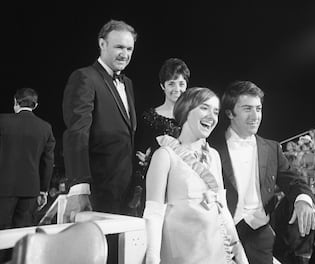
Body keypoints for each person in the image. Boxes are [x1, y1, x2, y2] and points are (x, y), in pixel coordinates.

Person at [212, 80, 315, 264]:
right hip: (218, 235)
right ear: (229, 113)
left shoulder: (272, 148)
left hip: (259, 234)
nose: (255, 116)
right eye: (247, 109)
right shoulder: (211, 148)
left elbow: (294, 181)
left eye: (258, 109)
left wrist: (303, 200)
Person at [143, 87, 248, 264]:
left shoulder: (213, 156)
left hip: (214, 252)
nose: (212, 116)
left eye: (216, 111)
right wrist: (153, 258)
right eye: (204, 108)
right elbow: (154, 213)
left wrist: (238, 249)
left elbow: (222, 206)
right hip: (181, 253)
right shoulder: (165, 156)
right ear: (186, 110)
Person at [62, 19, 137, 219]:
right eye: (119, 47)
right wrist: (79, 188)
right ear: (102, 44)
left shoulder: (127, 83)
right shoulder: (84, 77)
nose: (125, 54)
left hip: (125, 193)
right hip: (96, 192)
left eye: (129, 48)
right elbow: (77, 133)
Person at [133, 58, 190, 216]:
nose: (176, 89)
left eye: (181, 84)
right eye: (171, 83)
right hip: (156, 189)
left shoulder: (192, 118)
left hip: (186, 188)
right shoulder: (149, 117)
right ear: (162, 86)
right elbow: (140, 155)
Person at [0, 88, 55, 229]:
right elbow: (47, 163)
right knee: (22, 235)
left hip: (3, 189)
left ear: (15, 102)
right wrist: (43, 190)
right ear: (35, 105)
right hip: (30, 191)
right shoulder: (45, 128)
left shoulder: (3, 122)